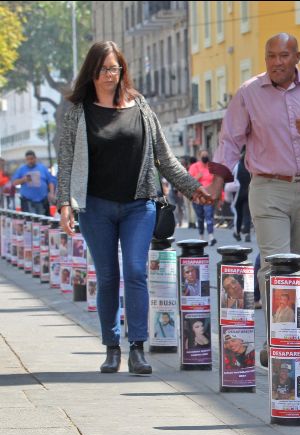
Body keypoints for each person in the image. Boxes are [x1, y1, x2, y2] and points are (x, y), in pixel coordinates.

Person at [56, 41, 216, 375]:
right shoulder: (78, 113)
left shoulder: (140, 106)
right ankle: (112, 347)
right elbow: (67, 163)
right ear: (91, 72)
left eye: (114, 68)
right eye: (101, 69)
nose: (108, 75)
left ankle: (138, 348)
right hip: (95, 206)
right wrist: (64, 205)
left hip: (138, 204)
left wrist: (192, 188)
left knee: (136, 271)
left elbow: (164, 156)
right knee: (108, 276)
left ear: (122, 70)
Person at [212, 32, 300, 312]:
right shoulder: (249, 93)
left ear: (297, 57)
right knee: (276, 264)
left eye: (283, 55)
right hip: (268, 188)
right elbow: (229, 141)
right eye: (271, 56)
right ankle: (278, 340)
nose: (277, 62)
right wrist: (216, 184)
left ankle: (296, 337)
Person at [12, 150, 56, 215]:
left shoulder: (42, 168)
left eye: (31, 159)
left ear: (35, 158)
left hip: (42, 200)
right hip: (27, 201)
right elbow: (14, 182)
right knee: (30, 221)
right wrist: (23, 180)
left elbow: (50, 181)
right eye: (28, 159)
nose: (30, 161)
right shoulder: (22, 169)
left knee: (44, 221)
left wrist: (51, 193)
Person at [189, 149, 218, 246]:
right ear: (199, 156)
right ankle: (201, 236)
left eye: (206, 155)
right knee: (200, 218)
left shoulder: (212, 167)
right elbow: (188, 181)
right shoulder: (194, 167)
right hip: (197, 197)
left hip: (208, 196)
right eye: (203, 155)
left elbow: (216, 182)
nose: (205, 157)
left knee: (209, 216)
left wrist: (220, 195)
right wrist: (198, 176)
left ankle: (211, 236)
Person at [232, 152, 253, 242]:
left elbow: (232, 178)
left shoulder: (236, 166)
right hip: (249, 192)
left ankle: (237, 232)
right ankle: (247, 233)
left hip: (238, 193)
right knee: (247, 214)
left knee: (238, 213)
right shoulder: (251, 167)